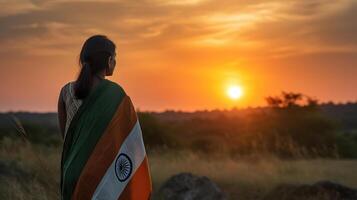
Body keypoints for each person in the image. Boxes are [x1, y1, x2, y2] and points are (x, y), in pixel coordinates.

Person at [57, 35, 152, 200]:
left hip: (72, 174)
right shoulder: (116, 94)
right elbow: (129, 143)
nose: (115, 62)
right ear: (109, 60)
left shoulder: (66, 91)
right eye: (115, 57)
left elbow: (67, 137)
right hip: (102, 176)